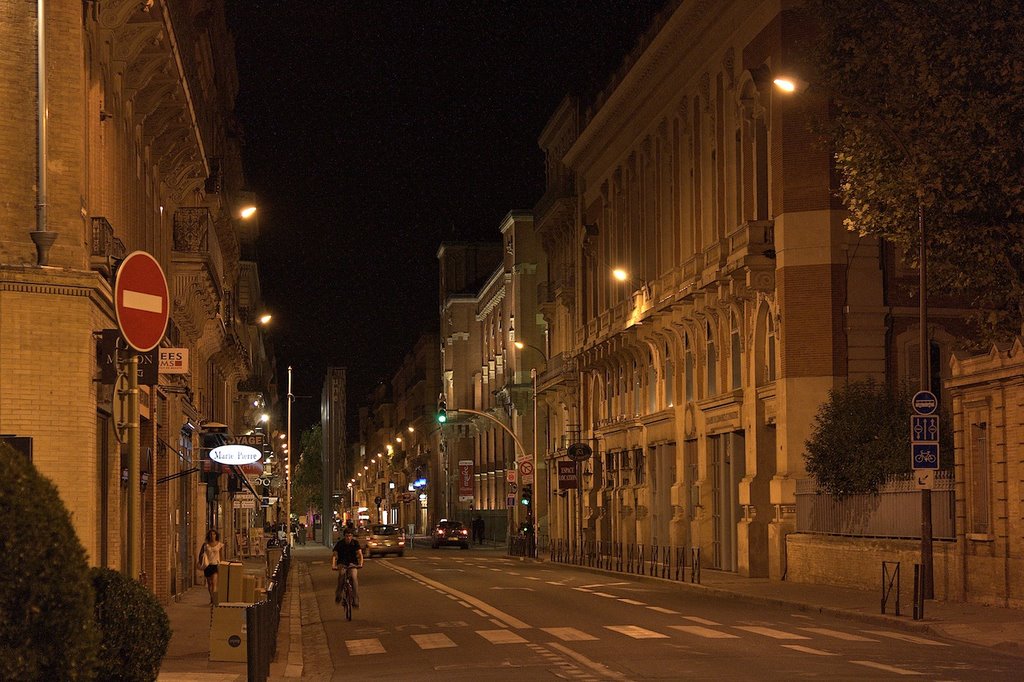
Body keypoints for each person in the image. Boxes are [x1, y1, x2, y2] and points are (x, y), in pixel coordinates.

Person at [332, 527, 364, 608]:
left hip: (352, 564)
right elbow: (335, 555)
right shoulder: (340, 543)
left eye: (350, 536)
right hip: (342, 563)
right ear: (344, 536)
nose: (348, 538)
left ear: (352, 536)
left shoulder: (355, 543)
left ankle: (355, 599)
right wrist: (333, 565)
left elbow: (360, 554)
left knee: (353, 578)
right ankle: (338, 594)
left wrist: (360, 564)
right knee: (342, 575)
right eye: (347, 536)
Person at [197, 529, 223, 605]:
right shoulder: (205, 545)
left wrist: (222, 564)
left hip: (215, 565)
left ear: (216, 535)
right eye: (211, 534)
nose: (212, 536)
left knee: (214, 583)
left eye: (214, 534)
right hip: (207, 565)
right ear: (209, 535)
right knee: (210, 583)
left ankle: (214, 600)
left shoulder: (219, 545)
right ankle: (211, 597)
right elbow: (200, 554)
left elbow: (221, 556)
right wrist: (201, 561)